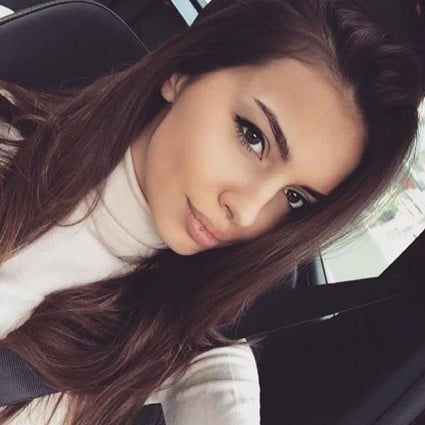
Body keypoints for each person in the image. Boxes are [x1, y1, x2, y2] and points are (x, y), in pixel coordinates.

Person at [0, 0, 423, 423]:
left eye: (295, 197)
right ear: (185, 71)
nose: (248, 212)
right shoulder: (10, 148)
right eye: (253, 137)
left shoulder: (195, 341)